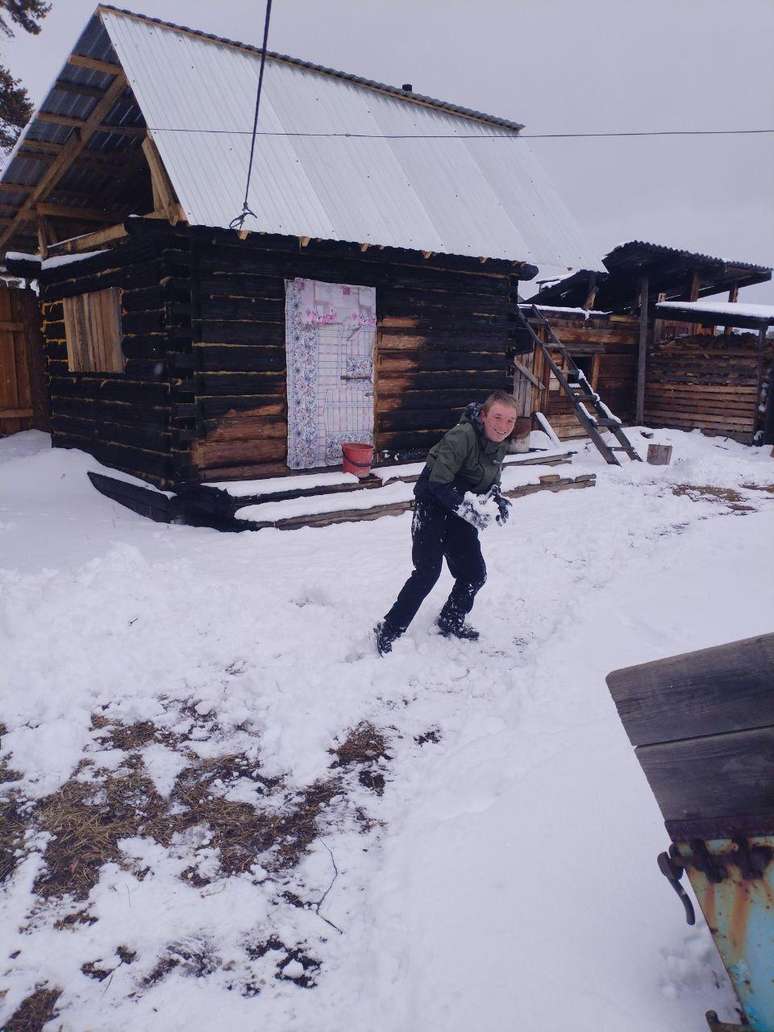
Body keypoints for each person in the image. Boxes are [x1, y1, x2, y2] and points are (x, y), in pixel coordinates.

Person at [374, 390, 518, 655]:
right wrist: (470, 511)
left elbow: (490, 480)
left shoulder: (499, 444)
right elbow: (438, 482)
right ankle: (389, 628)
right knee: (427, 572)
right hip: (432, 505)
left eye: (510, 420)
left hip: (459, 509)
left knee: (474, 573)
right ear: (484, 415)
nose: (504, 426)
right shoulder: (462, 436)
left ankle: (452, 618)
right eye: (498, 417)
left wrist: (496, 498)